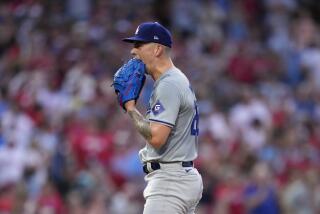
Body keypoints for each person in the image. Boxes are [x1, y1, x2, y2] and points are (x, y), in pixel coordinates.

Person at [121, 22, 203, 213]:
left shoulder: (169, 84)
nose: (133, 51)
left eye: (139, 45)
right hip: (179, 177)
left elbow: (157, 138)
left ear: (157, 49)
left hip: (170, 182)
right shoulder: (175, 79)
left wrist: (131, 108)